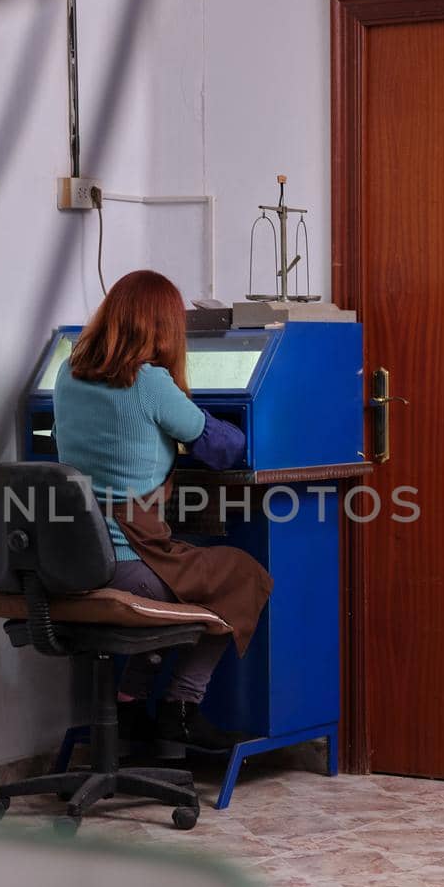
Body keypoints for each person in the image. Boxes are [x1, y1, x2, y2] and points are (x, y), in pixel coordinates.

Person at [53, 270, 271, 757]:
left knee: (186, 581)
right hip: (130, 562)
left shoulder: (67, 373)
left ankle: (131, 705)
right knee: (241, 576)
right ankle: (181, 711)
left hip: (71, 560)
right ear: (163, 327)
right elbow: (224, 448)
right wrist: (190, 425)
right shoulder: (150, 382)